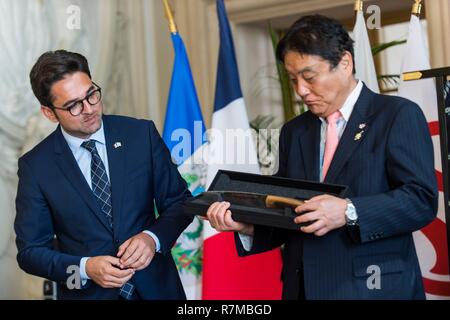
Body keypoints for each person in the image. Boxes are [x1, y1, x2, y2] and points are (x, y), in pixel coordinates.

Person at [206, 15, 438, 300]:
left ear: (344, 63)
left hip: (373, 289)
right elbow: (289, 213)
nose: (301, 90)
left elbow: (420, 200)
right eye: (293, 79)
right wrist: (247, 224)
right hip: (303, 288)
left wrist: (348, 211)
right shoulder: (295, 131)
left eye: (309, 77)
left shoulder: (396, 115)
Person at [14, 50, 192, 300]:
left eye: (91, 95)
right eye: (73, 105)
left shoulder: (141, 134)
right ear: (49, 113)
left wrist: (152, 238)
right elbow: (31, 253)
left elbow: (180, 202)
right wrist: (85, 268)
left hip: (158, 291)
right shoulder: (36, 166)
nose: (89, 109)